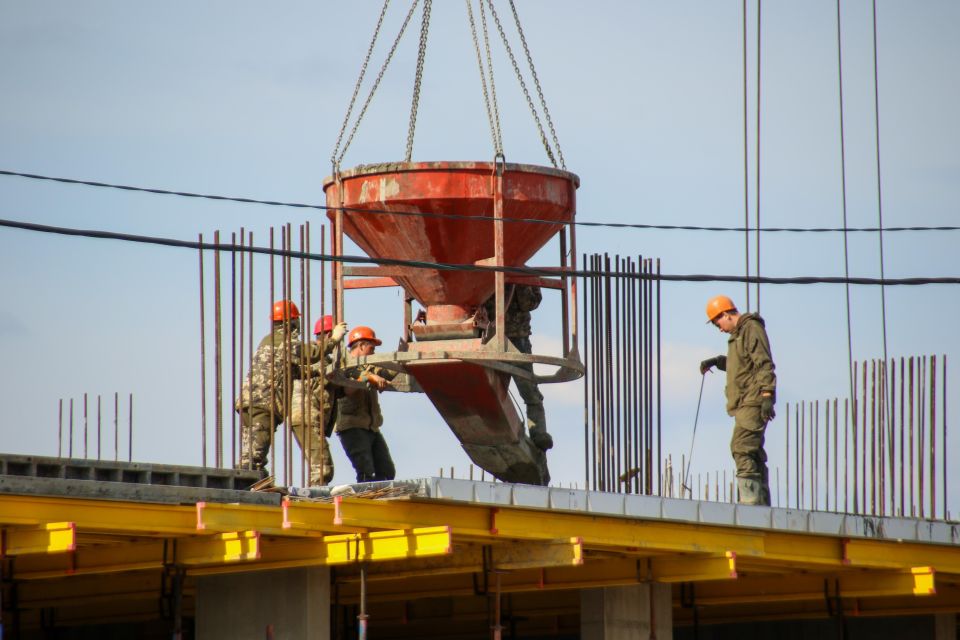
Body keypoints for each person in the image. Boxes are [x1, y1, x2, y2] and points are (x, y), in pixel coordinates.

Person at [236, 300, 346, 477]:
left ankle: (254, 481)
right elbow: (313, 354)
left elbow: (294, 371)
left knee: (250, 453)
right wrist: (334, 339)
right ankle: (248, 485)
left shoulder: (269, 341)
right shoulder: (286, 342)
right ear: (291, 322)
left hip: (250, 402)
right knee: (253, 458)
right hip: (264, 404)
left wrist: (322, 374)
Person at [699, 295, 777, 506]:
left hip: (753, 400)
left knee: (741, 446)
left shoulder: (751, 328)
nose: (720, 329)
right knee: (753, 451)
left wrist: (767, 395)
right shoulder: (738, 335)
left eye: (718, 324)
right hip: (745, 401)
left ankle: (750, 502)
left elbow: (764, 363)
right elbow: (741, 365)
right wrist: (718, 362)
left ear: (725, 314)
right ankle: (760, 503)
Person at [483, 284, 553, 451]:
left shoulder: (526, 276)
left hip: (517, 339)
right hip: (490, 338)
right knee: (489, 387)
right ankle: (494, 430)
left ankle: (538, 434)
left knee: (529, 390)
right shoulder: (485, 272)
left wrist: (520, 282)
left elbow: (530, 303)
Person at [333, 326, 398, 482]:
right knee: (365, 471)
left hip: (371, 427)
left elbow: (388, 371)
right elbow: (348, 389)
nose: (374, 352)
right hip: (352, 427)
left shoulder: (369, 365)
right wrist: (369, 378)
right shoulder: (344, 363)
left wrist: (402, 358)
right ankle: (367, 499)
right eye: (371, 347)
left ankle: (380, 501)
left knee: (386, 470)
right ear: (361, 345)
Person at [289, 314, 346, 485]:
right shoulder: (316, 358)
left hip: (308, 418)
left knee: (320, 465)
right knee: (322, 467)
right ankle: (315, 499)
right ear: (330, 335)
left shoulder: (319, 358)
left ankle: (316, 495)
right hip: (307, 417)